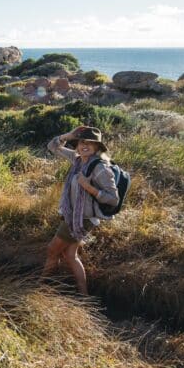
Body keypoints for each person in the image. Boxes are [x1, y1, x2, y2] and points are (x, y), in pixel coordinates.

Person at [43, 126, 119, 295]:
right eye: (81, 142)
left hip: (82, 219)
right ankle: (83, 296)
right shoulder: (77, 159)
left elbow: (113, 199)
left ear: (97, 147)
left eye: (90, 143)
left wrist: (88, 187)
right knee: (71, 256)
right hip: (73, 216)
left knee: (52, 250)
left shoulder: (100, 168)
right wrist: (68, 135)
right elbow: (52, 146)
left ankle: (43, 287)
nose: (84, 145)